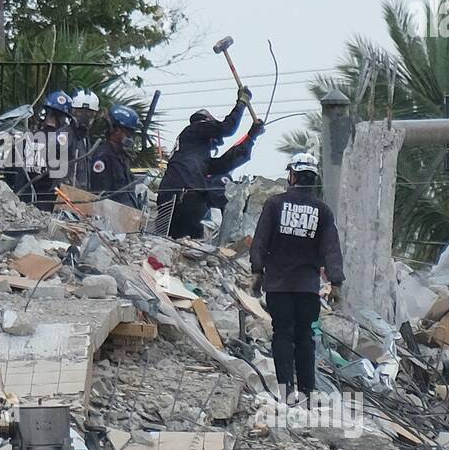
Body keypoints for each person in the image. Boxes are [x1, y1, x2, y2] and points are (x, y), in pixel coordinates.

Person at [250, 151, 345, 404]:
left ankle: (285, 394)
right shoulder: (322, 211)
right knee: (305, 337)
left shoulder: (274, 204)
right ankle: (307, 395)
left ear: (292, 176)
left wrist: (257, 272)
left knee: (282, 334)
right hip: (307, 288)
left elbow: (260, 241)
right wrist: (335, 283)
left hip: (278, 285)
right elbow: (331, 249)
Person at [157, 89, 265, 239]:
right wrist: (242, 103)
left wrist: (251, 138)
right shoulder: (196, 128)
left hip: (175, 196)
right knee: (187, 238)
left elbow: (224, 164)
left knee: (176, 240)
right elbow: (226, 129)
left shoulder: (194, 153)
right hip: (183, 195)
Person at [23, 90, 79, 211]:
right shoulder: (63, 145)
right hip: (49, 208)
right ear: (65, 119)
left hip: (23, 205)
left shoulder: (25, 140)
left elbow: (11, 174)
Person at [87, 104, 142, 208]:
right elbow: (101, 196)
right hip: (113, 218)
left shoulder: (122, 156)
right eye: (129, 132)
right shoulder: (102, 157)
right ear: (116, 130)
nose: (131, 137)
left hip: (129, 216)